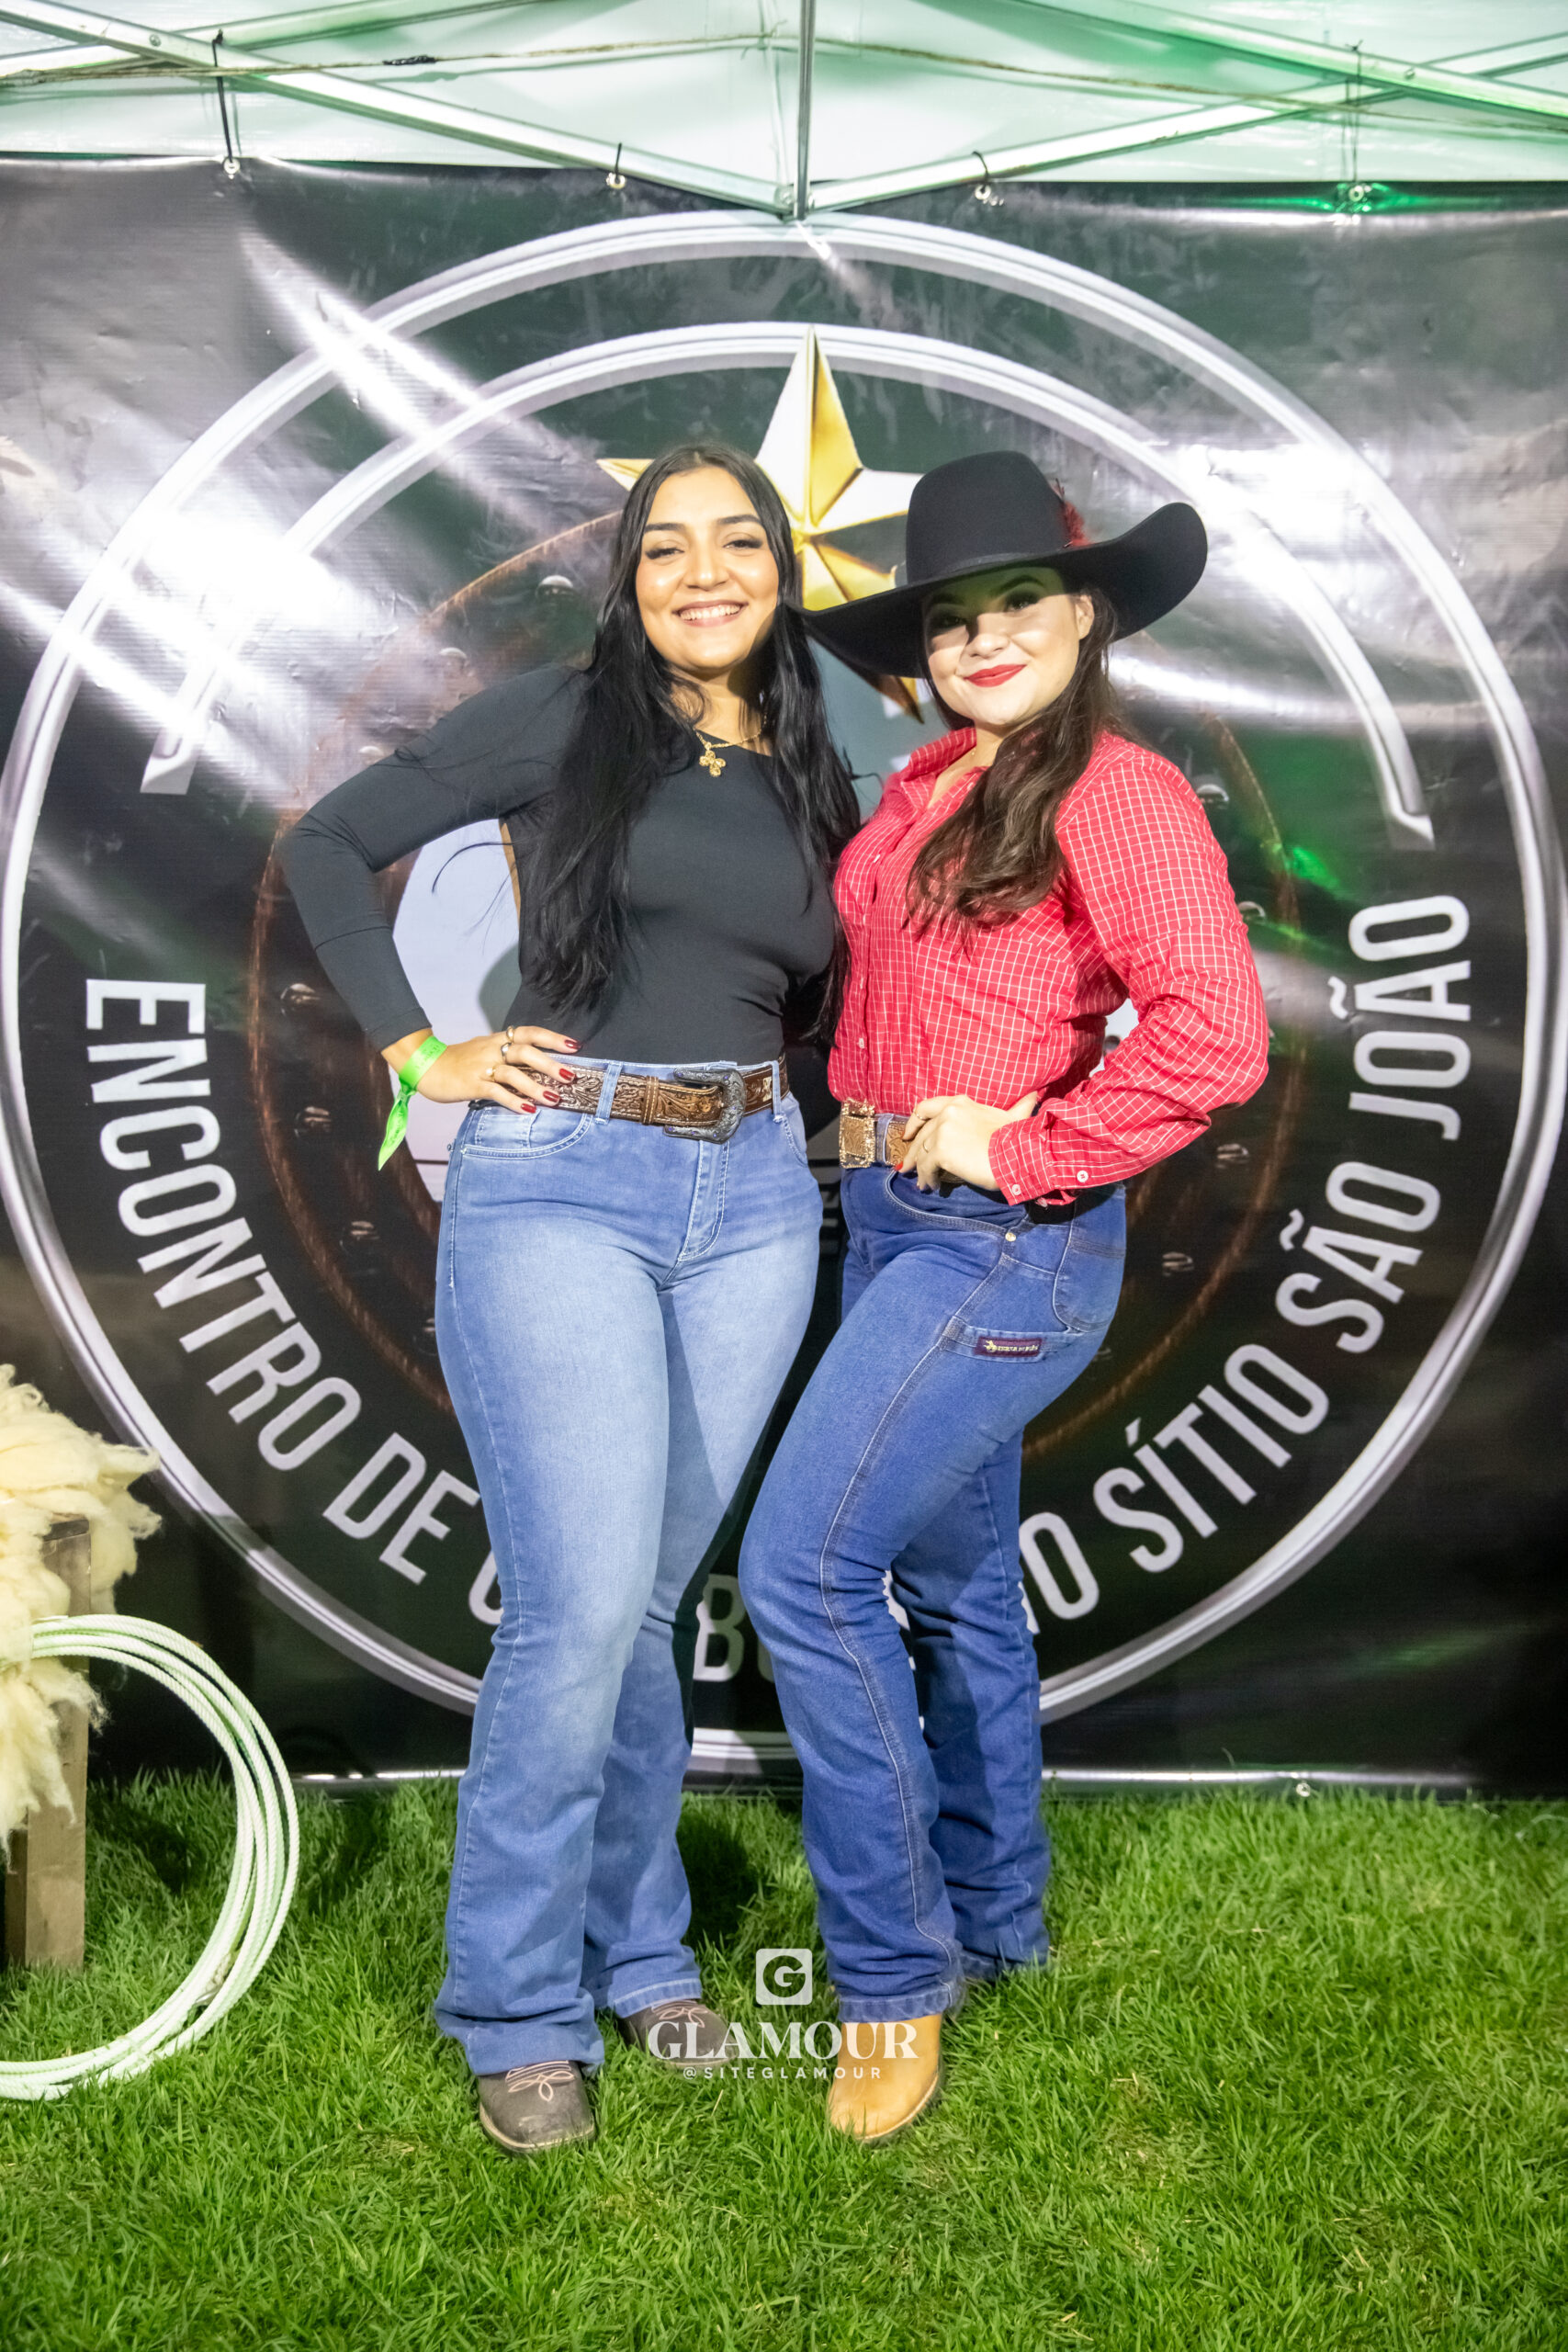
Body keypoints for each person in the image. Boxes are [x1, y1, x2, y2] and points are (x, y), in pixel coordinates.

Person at [281, 446, 858, 2155]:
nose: (703, 571)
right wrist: (421, 1051)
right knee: (580, 1607)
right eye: (665, 547)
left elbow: (826, 988)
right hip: (564, 1175)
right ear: (628, 578)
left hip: (757, 1196)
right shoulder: (563, 716)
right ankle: (518, 2003)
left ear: (781, 569)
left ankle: (643, 1952)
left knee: (648, 1602)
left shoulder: (813, 760)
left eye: (737, 541)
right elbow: (332, 845)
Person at [739, 450, 1269, 2143]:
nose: (983, 637)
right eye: (952, 616)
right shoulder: (924, 786)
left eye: (1018, 601)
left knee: (806, 1572)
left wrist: (1032, 1145)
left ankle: (893, 1984)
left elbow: (1219, 1037)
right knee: (961, 1593)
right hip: (889, 1216)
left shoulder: (1118, 791)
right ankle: (999, 1922)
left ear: (1086, 613)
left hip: (1004, 1240)